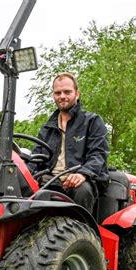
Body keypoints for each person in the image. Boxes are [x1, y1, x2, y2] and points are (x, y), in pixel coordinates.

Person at [30, 72, 109, 213]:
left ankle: (80, 232)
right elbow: (36, 157)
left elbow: (98, 154)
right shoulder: (47, 128)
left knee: (82, 190)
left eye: (67, 92)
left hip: (82, 179)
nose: (62, 96)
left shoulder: (92, 121)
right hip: (51, 179)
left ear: (77, 94)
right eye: (58, 93)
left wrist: (83, 173)